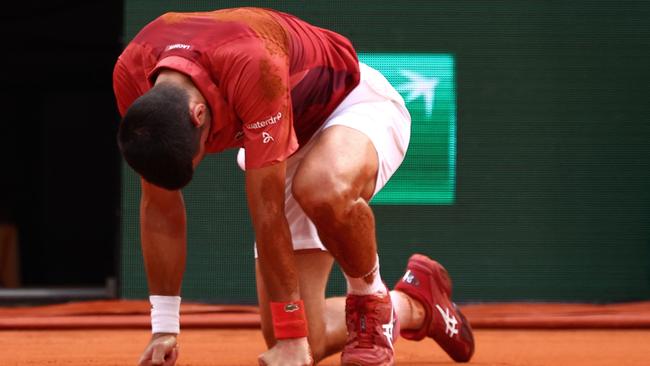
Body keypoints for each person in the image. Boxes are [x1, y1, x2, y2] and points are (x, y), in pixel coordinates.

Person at [113, 7, 474, 366]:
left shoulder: (253, 63)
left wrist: (292, 337)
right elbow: (159, 206)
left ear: (198, 114)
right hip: (282, 136)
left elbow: (267, 212)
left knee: (321, 187)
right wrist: (164, 328)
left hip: (349, 106)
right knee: (308, 338)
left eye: (201, 150)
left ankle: (371, 303)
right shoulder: (133, 75)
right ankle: (415, 305)